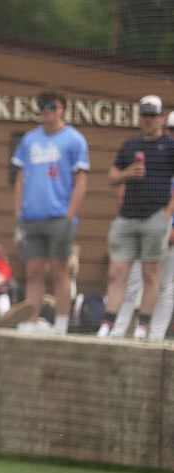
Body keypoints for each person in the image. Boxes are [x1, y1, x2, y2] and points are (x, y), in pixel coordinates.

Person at [11, 89, 89, 335]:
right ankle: (29, 322)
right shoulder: (29, 140)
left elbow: (81, 180)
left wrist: (69, 216)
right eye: (42, 106)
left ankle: (61, 324)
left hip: (59, 219)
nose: (46, 111)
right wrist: (18, 213)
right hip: (30, 219)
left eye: (52, 106)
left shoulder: (74, 140)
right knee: (33, 272)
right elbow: (20, 178)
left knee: (59, 271)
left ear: (62, 109)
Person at [97, 95, 174, 339]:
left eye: (153, 115)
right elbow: (112, 178)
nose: (148, 120)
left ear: (161, 117)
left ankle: (145, 329)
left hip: (156, 218)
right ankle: (109, 326)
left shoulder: (170, 147)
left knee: (155, 278)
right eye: (145, 115)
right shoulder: (130, 145)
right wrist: (127, 173)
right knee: (119, 273)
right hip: (128, 217)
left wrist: (167, 215)